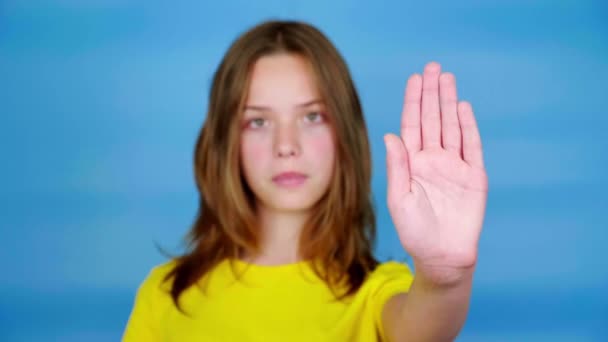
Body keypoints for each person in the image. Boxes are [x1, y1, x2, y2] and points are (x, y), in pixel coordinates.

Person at [122, 19, 488, 342]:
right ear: (225, 142)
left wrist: (443, 278)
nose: (286, 146)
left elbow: (423, 326)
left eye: (312, 117)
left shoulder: (376, 294)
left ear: (345, 133)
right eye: (258, 121)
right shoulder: (165, 294)